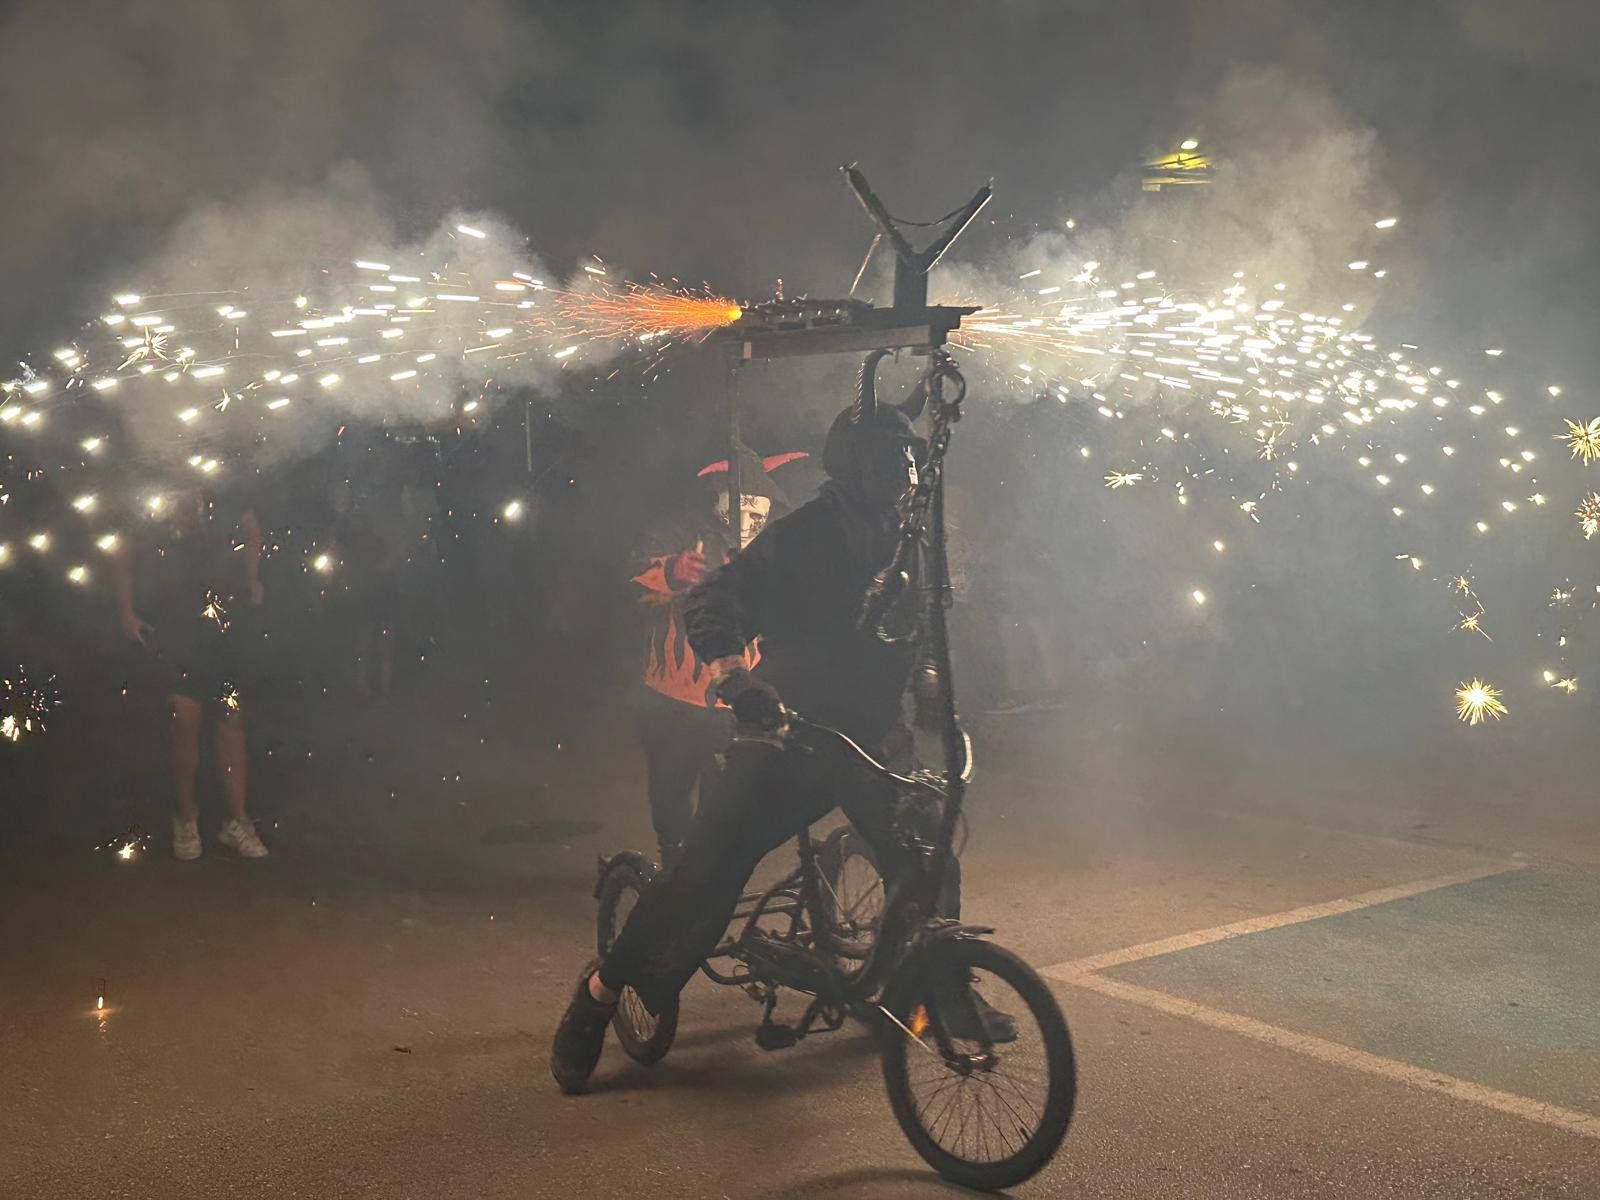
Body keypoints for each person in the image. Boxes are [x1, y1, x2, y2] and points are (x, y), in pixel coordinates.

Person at [552, 364, 1008, 1095]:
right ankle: (600, 993)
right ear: (856, 468)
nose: (905, 476)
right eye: (892, 464)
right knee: (699, 883)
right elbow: (711, 604)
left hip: (868, 742)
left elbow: (924, 636)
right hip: (789, 739)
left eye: (909, 463)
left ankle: (932, 987)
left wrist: (940, 709)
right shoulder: (801, 540)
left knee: (928, 855)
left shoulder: (908, 540)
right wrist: (736, 678)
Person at [629, 448, 805, 868]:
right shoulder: (678, 530)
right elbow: (635, 583)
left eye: (755, 511)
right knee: (671, 788)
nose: (748, 519)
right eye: (739, 509)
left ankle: (707, 865)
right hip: (672, 695)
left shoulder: (770, 545)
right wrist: (672, 572)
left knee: (729, 794)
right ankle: (673, 862)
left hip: (737, 693)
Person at [114, 487, 269, 860]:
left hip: (222, 623)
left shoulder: (223, 482)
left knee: (230, 719)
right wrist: (126, 610)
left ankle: (238, 821)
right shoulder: (156, 482)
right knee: (185, 719)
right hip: (174, 622)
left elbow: (251, 528)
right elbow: (124, 548)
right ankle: (185, 817)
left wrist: (252, 577)